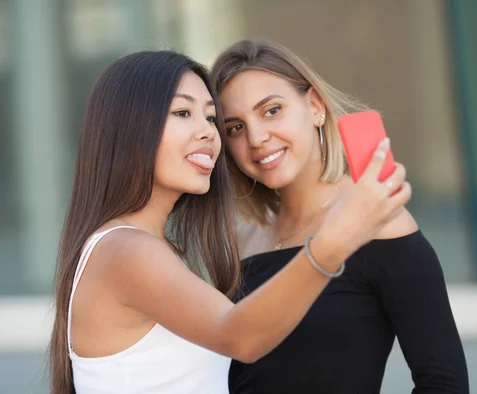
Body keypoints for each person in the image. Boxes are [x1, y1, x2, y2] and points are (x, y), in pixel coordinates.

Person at [48, 50, 410, 394]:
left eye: (210, 118)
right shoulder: (126, 250)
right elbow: (241, 336)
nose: (208, 133)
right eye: (182, 113)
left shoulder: (144, 249)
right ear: (128, 128)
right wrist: (336, 240)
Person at [210, 38, 469, 393]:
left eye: (271, 110)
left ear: (315, 105)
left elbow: (444, 383)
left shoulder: (380, 224)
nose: (256, 138)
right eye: (235, 128)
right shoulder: (242, 240)